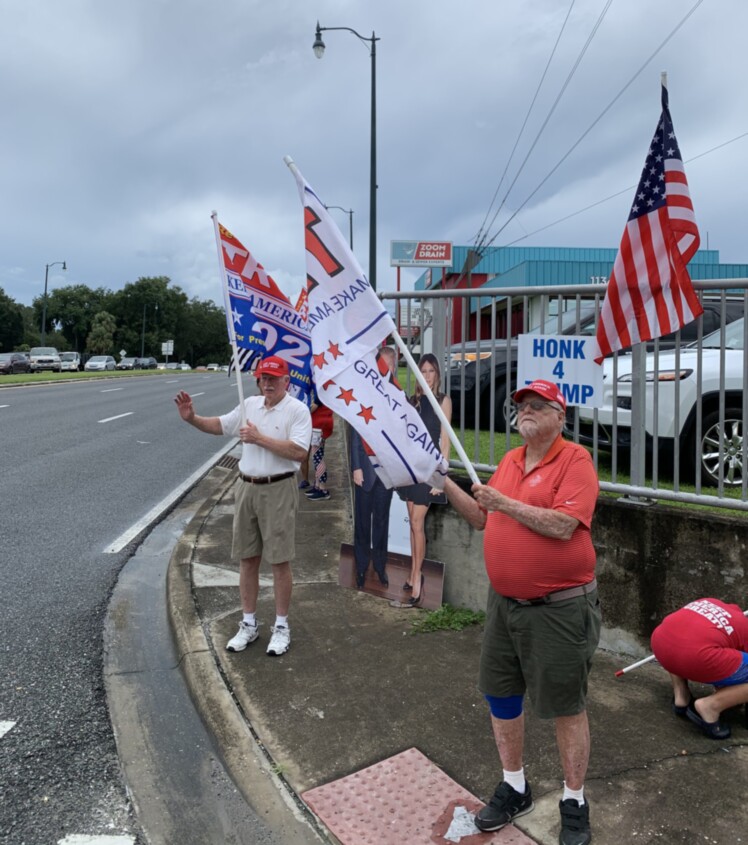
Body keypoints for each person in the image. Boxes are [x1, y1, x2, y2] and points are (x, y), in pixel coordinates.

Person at [443, 379, 600, 845]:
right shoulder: (511, 460)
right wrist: (443, 481)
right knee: (501, 695)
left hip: (558, 609)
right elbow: (481, 516)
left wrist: (503, 503)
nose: (526, 411)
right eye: (521, 405)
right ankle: (515, 786)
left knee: (565, 705)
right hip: (504, 605)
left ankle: (574, 798)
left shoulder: (576, 460)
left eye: (538, 405)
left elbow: (563, 525)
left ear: (560, 416)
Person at [174, 355, 311, 656]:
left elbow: (299, 452)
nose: (268, 383)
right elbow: (221, 425)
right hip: (247, 486)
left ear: (286, 381)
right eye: (264, 377)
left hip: (279, 489)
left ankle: (282, 626)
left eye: (274, 378)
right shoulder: (249, 405)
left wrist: (260, 438)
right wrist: (192, 419)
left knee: (279, 561)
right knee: (247, 559)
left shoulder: (297, 411)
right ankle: (248, 623)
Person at [396, 353, 452, 608]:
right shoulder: (412, 401)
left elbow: (445, 439)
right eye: (423, 371)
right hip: (411, 470)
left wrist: (439, 478)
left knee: (417, 524)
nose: (427, 375)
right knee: (412, 524)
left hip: (430, 471)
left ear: (437, 374)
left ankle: (417, 581)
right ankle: (411, 572)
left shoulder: (443, 401)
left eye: (431, 371)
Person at [650, 597, 748, 740]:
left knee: (682, 640)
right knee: (694, 650)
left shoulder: (708, 601)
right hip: (695, 658)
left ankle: (681, 696)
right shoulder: (743, 626)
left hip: (660, 645)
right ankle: (710, 706)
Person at [350, 346, 398, 589]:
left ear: (393, 367)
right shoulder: (363, 394)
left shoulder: (397, 397)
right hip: (366, 472)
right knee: (362, 523)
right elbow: (356, 434)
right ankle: (360, 566)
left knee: (381, 522)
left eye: (388, 366)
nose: (384, 370)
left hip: (386, 473)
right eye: (381, 365)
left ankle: (380, 567)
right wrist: (356, 467)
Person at [299, 389, 334, 501]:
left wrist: (302, 413)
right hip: (323, 423)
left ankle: (323, 489)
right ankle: (317, 486)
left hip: (319, 425)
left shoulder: (322, 388)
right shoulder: (326, 387)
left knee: (317, 457)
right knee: (318, 455)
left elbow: (314, 406)